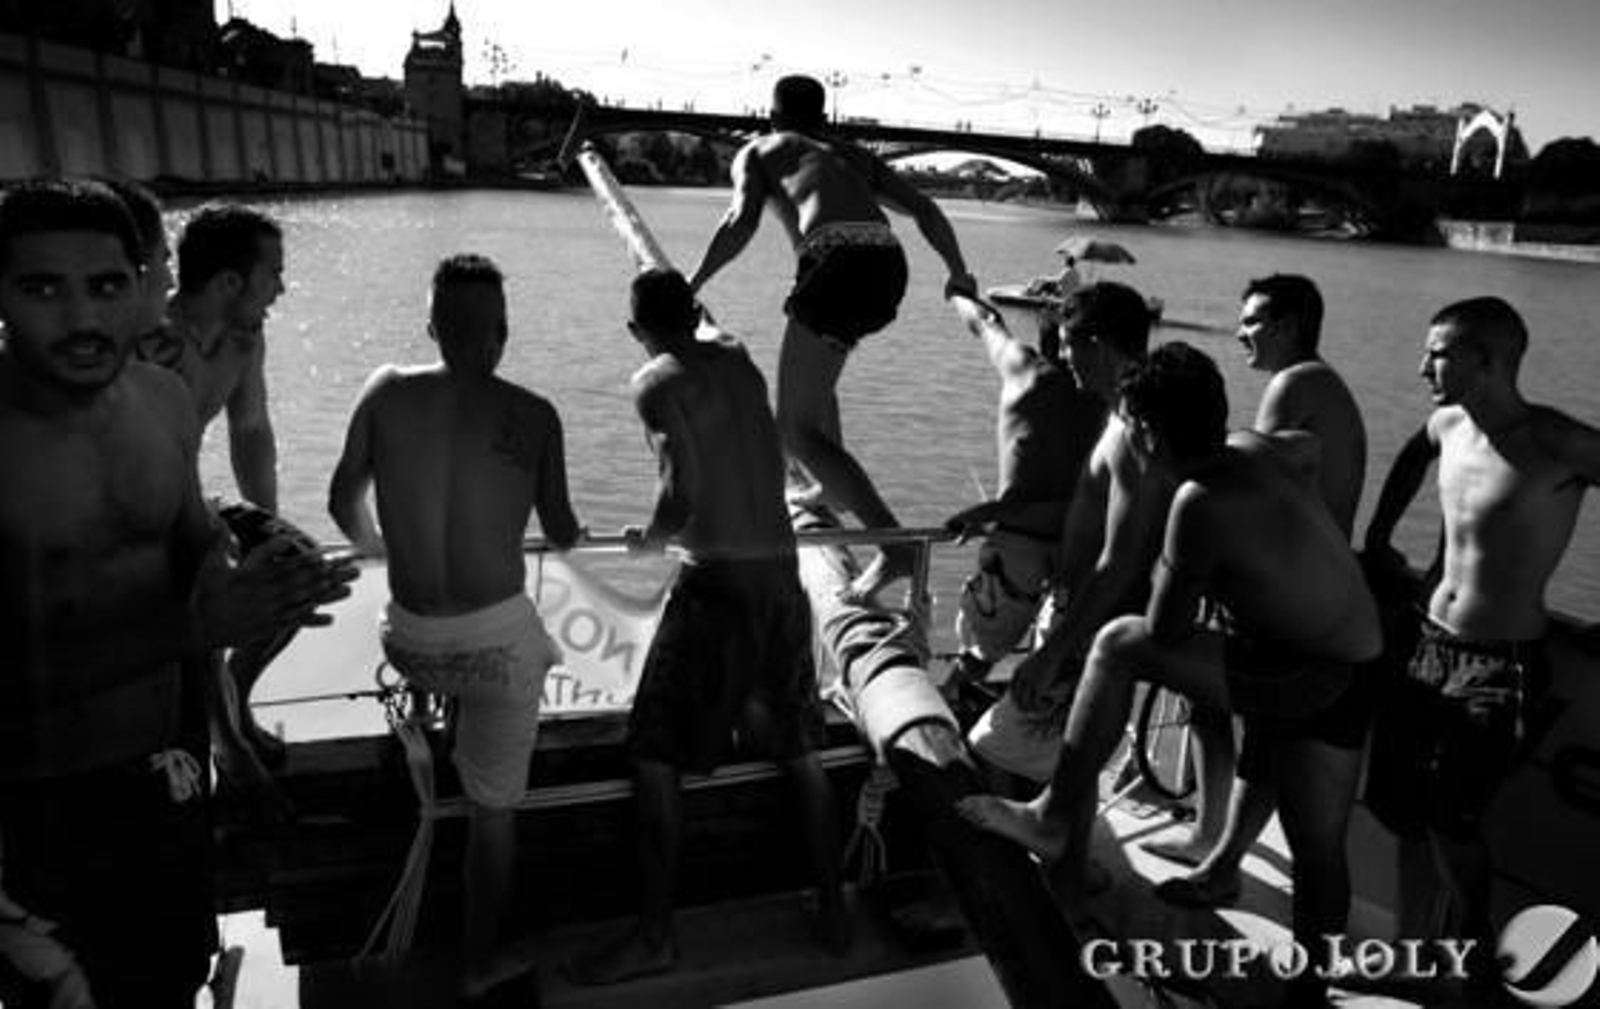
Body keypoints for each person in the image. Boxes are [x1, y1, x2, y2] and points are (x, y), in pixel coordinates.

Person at [0, 178, 354, 1009]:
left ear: (144, 286)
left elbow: (189, 526)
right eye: (43, 287)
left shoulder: (161, 401)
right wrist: (193, 627)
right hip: (41, 810)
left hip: (167, 773)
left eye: (108, 285)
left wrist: (247, 572)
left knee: (174, 971)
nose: (84, 317)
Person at [959, 342, 1382, 1007]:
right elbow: (1310, 449)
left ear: (1148, 432)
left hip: (1300, 671)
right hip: (1359, 656)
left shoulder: (1196, 502)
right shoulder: (1262, 447)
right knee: (1319, 846)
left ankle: (1053, 814)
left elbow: (1165, 632)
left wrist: (1182, 559)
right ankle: (1308, 994)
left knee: (1117, 642)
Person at [567, 269, 844, 985]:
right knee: (800, 748)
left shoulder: (654, 381)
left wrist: (651, 540)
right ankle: (835, 908)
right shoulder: (741, 360)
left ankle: (655, 933)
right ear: (695, 312)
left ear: (636, 330)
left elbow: (679, 489)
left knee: (654, 752)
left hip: (718, 582)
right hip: (781, 578)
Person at [327, 253, 581, 1001]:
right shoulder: (535, 415)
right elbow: (563, 535)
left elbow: (343, 501)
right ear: (501, 333)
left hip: (407, 643)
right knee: (494, 811)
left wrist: (382, 547)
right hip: (495, 652)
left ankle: (433, 719)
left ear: (431, 327)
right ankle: (477, 961)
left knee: (432, 649)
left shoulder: (384, 390)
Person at [1362, 296, 1600, 996]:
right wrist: (1378, 539)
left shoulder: (1556, 442)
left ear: (1488, 361)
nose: (1420, 366)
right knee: (1404, 812)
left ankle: (1475, 963)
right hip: (1427, 645)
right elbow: (1411, 454)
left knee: (1452, 819)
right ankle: (1413, 956)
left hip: (1500, 663)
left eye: (1437, 353)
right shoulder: (1447, 424)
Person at [688, 73, 977, 603]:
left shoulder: (758, 149)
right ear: (823, 119)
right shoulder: (852, 154)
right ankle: (830, 488)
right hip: (887, 263)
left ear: (770, 115)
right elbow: (927, 210)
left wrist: (695, 282)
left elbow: (740, 221)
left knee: (794, 430)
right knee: (817, 379)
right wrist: (958, 272)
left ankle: (894, 548)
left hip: (836, 259)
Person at [1150, 273, 1370, 890]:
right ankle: (1217, 848)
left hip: (1285, 599)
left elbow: (1241, 488)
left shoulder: (1293, 385)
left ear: (1287, 326)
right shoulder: (1321, 385)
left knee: (1225, 705)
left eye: (1251, 320)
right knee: (1256, 731)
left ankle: (1212, 841)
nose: (1241, 331)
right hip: (1319, 593)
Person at [132, 202, 304, 799]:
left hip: (194, 497)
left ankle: (237, 693)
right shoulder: (150, 343)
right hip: (145, 511)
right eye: (273, 274)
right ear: (230, 281)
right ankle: (227, 744)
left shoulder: (244, 340)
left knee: (299, 568)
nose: (281, 288)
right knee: (202, 572)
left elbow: (250, 430)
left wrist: (271, 526)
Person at [962, 283, 1156, 790]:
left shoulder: (1137, 428)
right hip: (1076, 614)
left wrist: (1053, 652)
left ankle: (1018, 865)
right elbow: (1087, 516)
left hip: (1090, 628)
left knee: (990, 749)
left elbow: (1123, 558)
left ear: (1098, 342)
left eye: (1069, 342)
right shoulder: (1116, 414)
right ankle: (1059, 856)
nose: (1063, 353)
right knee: (1067, 764)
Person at [942, 288, 1116, 681]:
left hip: (1019, 540)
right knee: (1058, 666)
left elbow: (986, 323)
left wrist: (958, 292)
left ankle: (958, 713)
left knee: (977, 656)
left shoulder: (1025, 369)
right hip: (1079, 544)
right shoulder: (1111, 394)